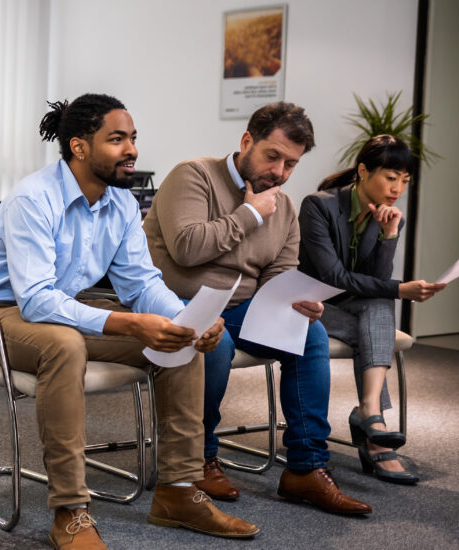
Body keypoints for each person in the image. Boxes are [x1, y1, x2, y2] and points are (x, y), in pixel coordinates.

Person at [0, 93, 256, 550]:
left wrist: (184, 319)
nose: (132, 149)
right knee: (64, 345)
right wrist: (132, 324)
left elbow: (141, 283)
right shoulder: (33, 199)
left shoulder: (120, 203)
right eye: (117, 139)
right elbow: (37, 301)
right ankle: (70, 510)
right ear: (80, 147)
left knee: (179, 340)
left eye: (133, 138)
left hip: (62, 309)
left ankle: (178, 490)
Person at [144, 101, 372, 515]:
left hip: (241, 306)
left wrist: (293, 302)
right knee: (216, 341)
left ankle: (306, 467)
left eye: (291, 164)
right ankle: (199, 458)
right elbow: (187, 248)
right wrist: (250, 213)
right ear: (247, 141)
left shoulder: (282, 206)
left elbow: (279, 272)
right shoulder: (193, 175)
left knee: (310, 333)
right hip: (175, 301)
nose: (280, 173)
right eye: (273, 157)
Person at [299, 135, 445, 484]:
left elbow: (374, 280)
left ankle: (369, 412)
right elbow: (334, 276)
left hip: (350, 306)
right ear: (363, 171)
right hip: (309, 306)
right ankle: (373, 432)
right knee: (377, 323)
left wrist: (388, 235)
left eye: (405, 181)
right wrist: (400, 289)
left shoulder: (389, 216)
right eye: (391, 177)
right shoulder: (317, 206)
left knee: (379, 305)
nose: (398, 188)